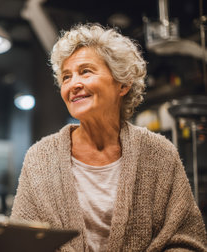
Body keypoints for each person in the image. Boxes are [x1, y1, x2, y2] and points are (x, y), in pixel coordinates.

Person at [11, 23, 207, 251]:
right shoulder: (40, 158)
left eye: (85, 71)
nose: (73, 84)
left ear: (122, 84)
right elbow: (20, 241)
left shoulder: (160, 154)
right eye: (66, 77)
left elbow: (188, 242)